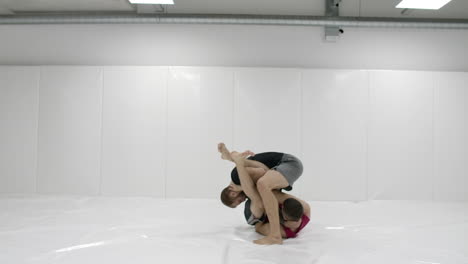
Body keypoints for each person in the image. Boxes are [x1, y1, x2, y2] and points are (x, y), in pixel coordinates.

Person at [218, 143, 304, 245]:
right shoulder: (240, 180)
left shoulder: (237, 177)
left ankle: (275, 236)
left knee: (263, 184)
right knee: (262, 187)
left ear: (232, 194)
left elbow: (262, 170)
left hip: (289, 163)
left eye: (239, 201)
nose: (243, 200)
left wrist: (237, 162)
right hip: (281, 166)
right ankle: (229, 157)